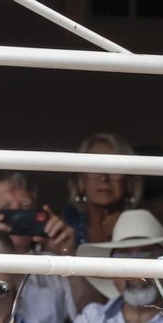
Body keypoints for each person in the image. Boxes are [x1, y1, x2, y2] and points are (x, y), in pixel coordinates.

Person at [0, 171, 77, 323]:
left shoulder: (54, 267)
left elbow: (88, 313)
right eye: (6, 210)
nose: (17, 218)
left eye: (25, 209)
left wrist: (68, 255)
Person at [64, 132, 144, 312]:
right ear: (81, 181)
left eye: (113, 167)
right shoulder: (66, 230)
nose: (103, 178)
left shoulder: (146, 228)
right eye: (94, 166)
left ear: (129, 181)